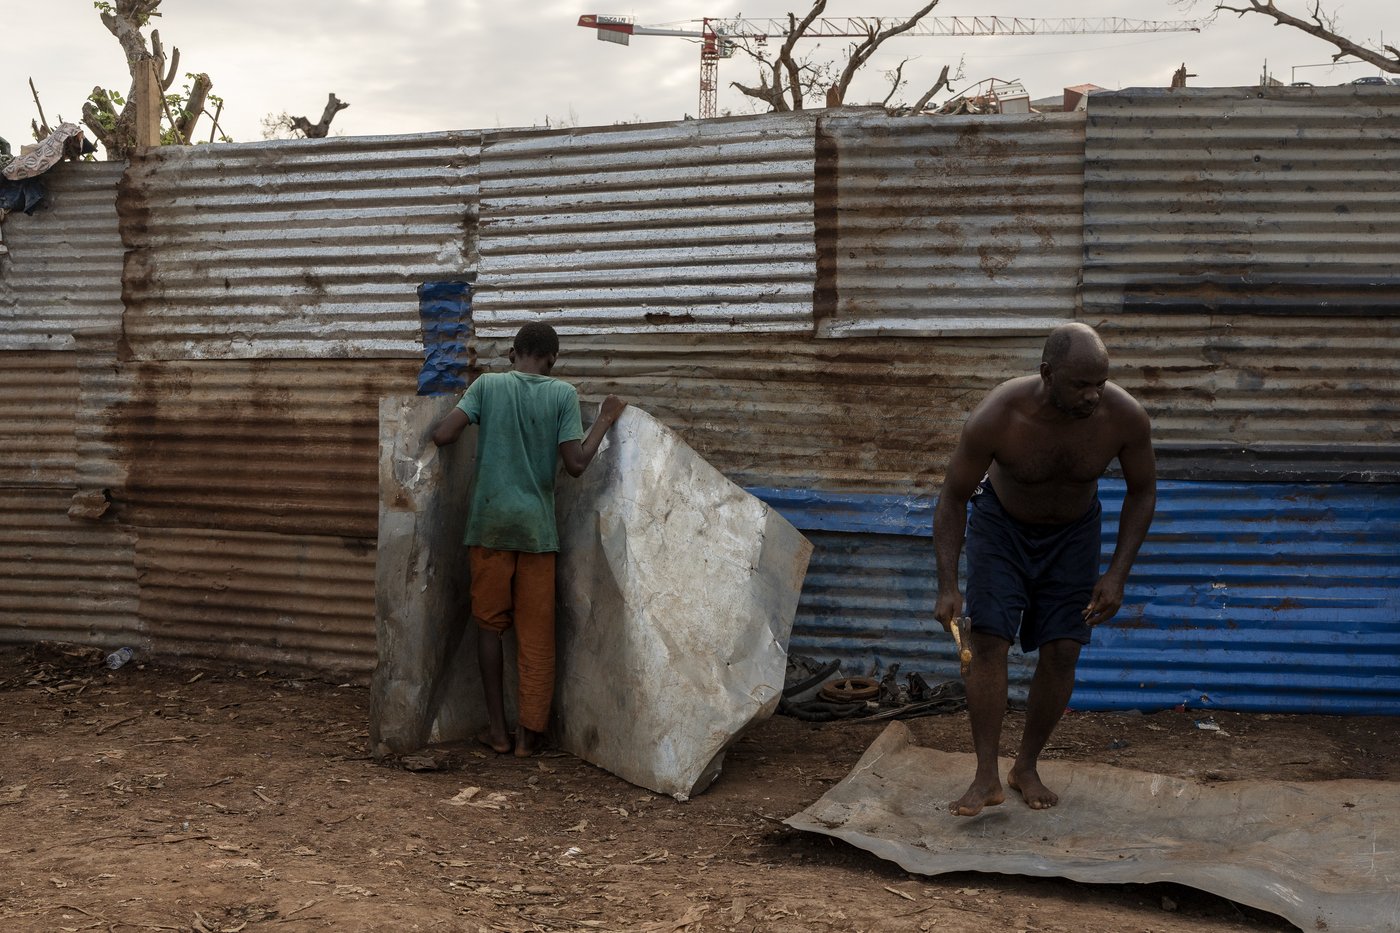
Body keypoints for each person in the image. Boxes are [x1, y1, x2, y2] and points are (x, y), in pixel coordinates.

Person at [932, 323, 1156, 816]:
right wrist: (948, 584)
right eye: (1080, 384)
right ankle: (987, 775)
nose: (1093, 395)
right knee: (989, 640)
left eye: (1100, 382)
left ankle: (1025, 766)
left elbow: (1143, 492)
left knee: (1062, 650)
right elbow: (952, 496)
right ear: (1047, 374)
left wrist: (1117, 573)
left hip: (1074, 535)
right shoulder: (998, 417)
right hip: (1001, 528)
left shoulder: (1124, 418)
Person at [431, 323, 626, 757]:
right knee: (536, 636)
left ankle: (497, 733)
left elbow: (444, 435)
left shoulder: (488, 386)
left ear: (513, 352)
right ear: (553, 359)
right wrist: (607, 418)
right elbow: (576, 463)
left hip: (490, 527)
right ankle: (527, 738)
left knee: (489, 629)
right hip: (538, 533)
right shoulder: (562, 395)